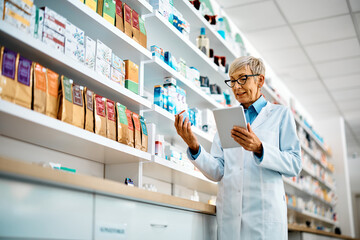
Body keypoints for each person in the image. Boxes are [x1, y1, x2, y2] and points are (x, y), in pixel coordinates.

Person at [174, 56, 302, 240]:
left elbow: (295, 164)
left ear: (260, 80)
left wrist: (260, 148)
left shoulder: (280, 115)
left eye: (242, 79)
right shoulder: (228, 118)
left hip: (264, 218)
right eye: (232, 81)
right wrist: (194, 146)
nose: (236, 87)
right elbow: (218, 170)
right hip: (230, 218)